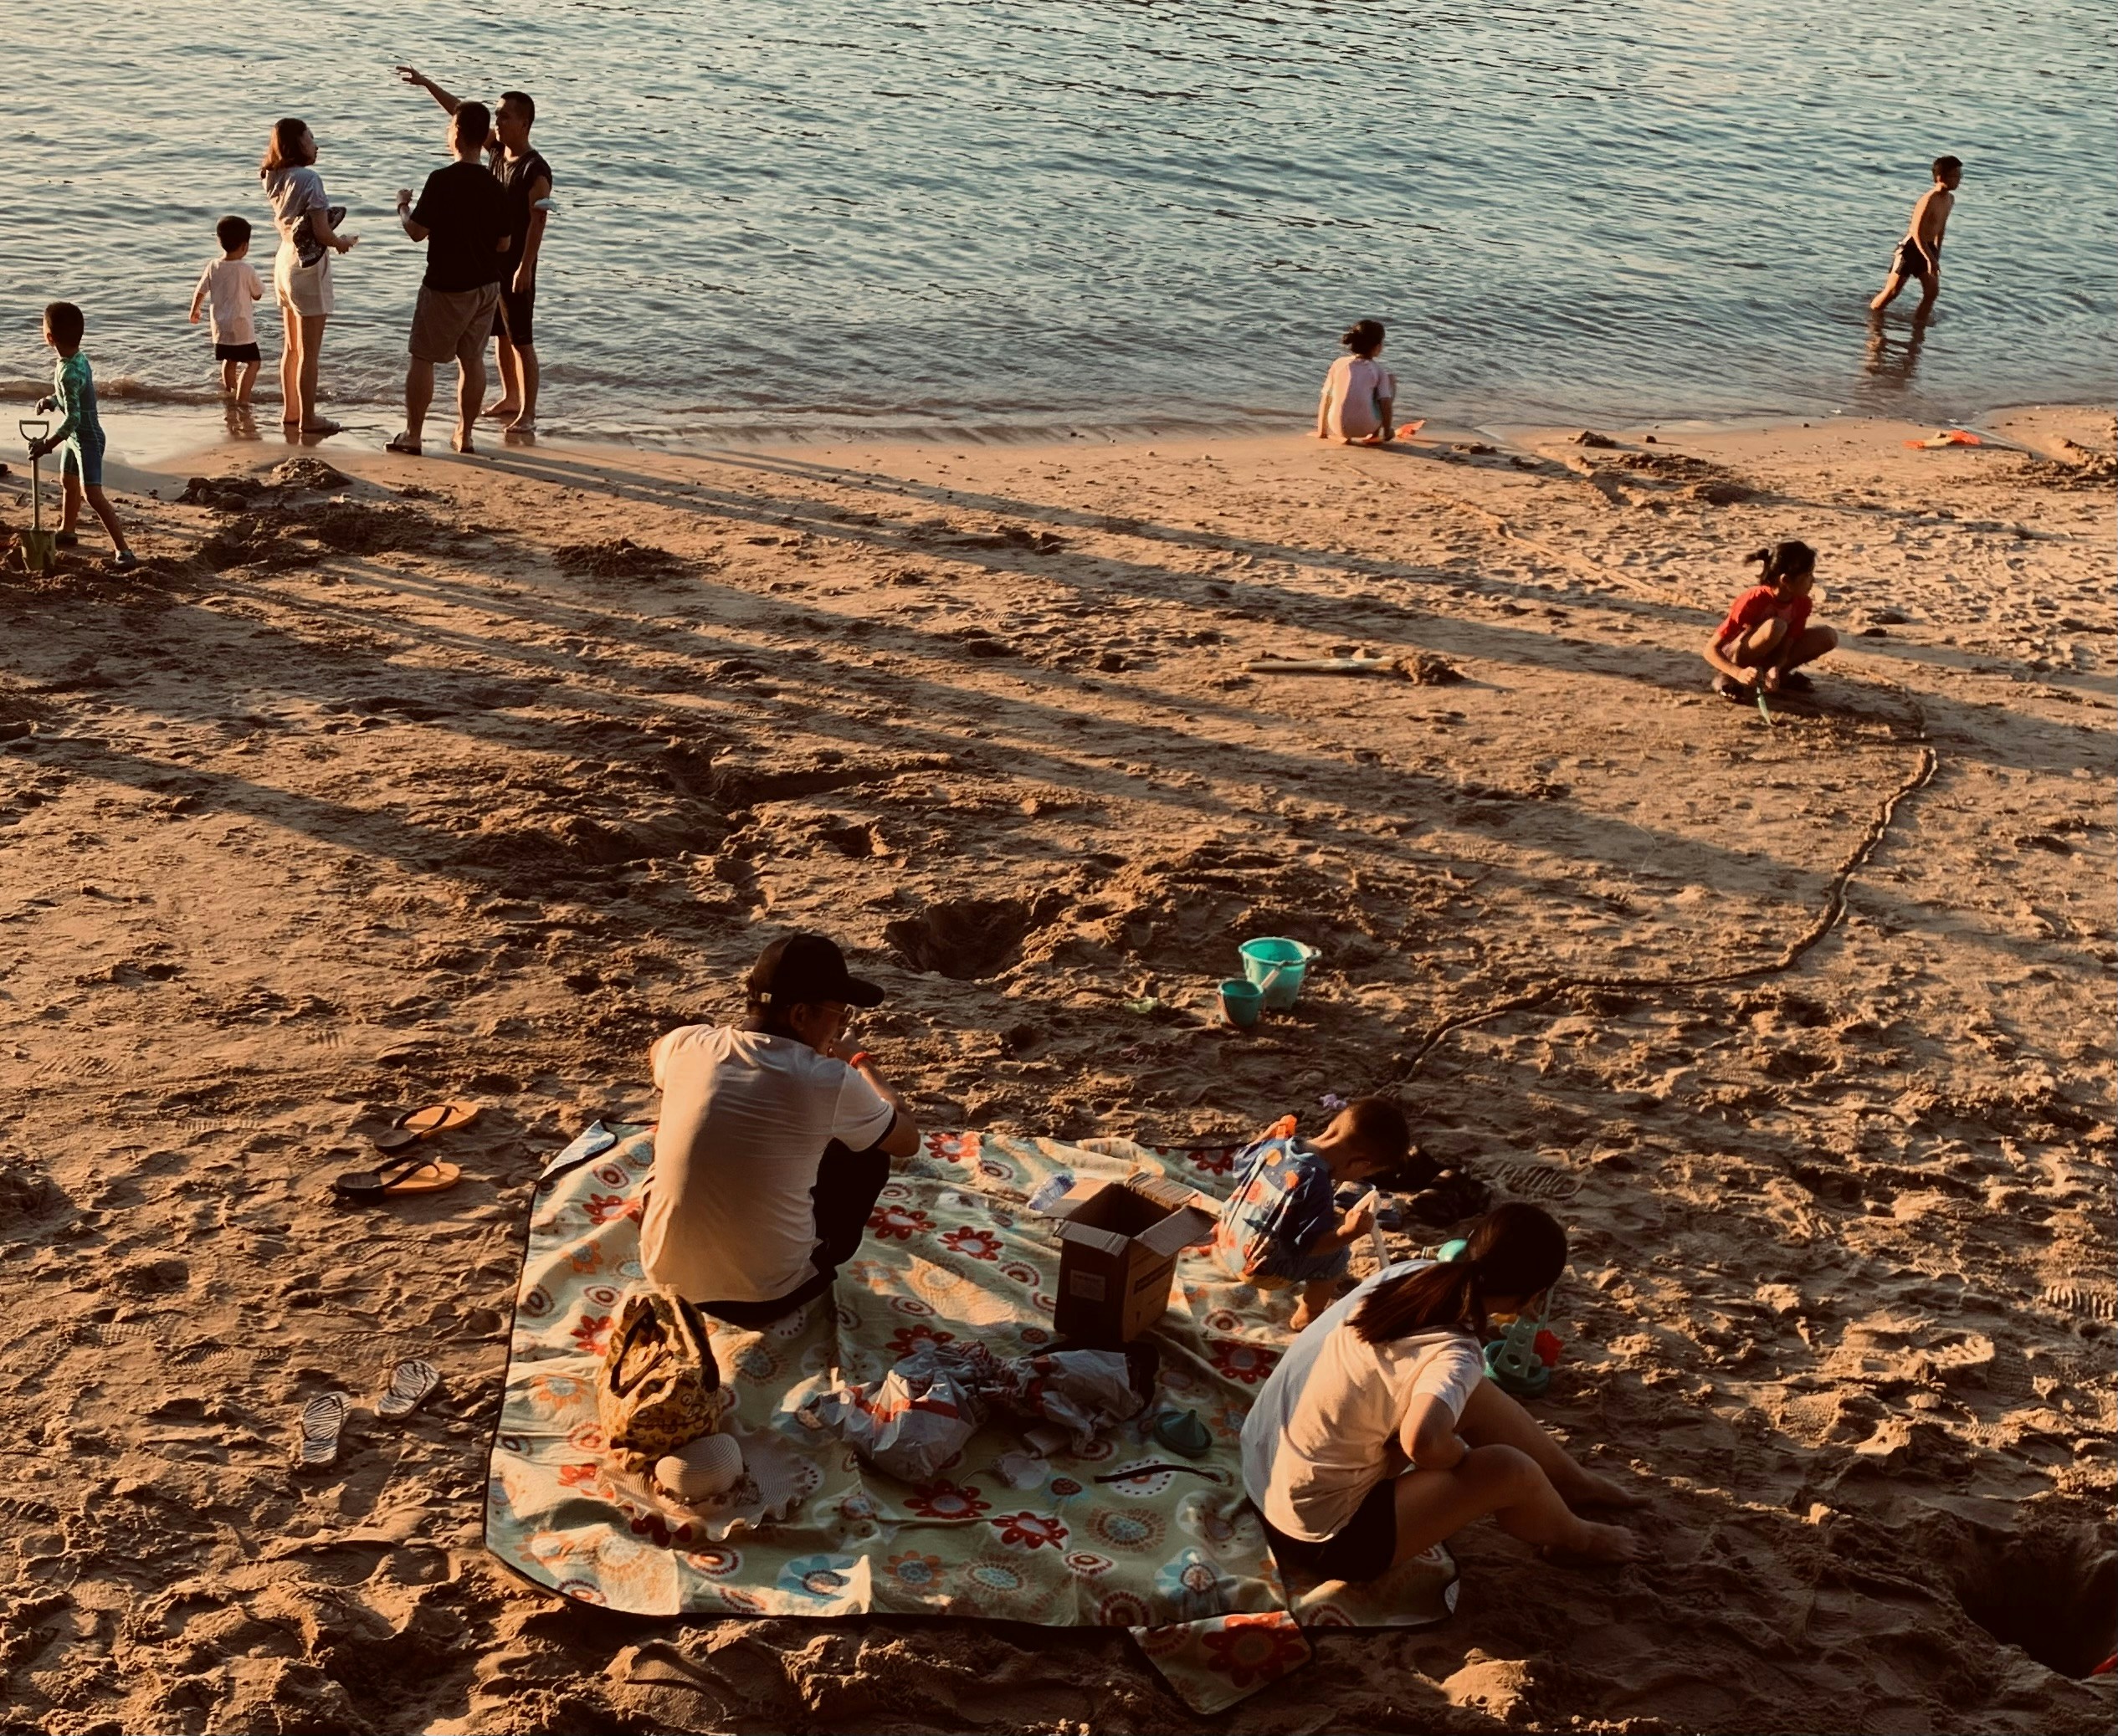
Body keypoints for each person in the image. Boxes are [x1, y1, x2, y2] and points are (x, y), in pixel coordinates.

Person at [1242, 1202, 1644, 1585]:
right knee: (1506, 1469)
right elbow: (1422, 1440)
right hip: (1317, 1537)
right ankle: (1577, 1538)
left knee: (1468, 1394)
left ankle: (1572, 1483)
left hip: (1262, 1469)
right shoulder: (1457, 1352)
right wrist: (1455, 1456)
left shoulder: (1409, 1274)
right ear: (1532, 1298)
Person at [640, 934, 921, 1328]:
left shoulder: (688, 1043)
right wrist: (858, 1059)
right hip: (768, 1296)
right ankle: (811, 1254)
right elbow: (907, 1138)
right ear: (801, 1015)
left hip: (669, 1281)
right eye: (839, 1015)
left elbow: (657, 1053)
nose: (841, 1026)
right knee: (869, 1150)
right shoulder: (828, 1079)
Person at [395, 66, 552, 438]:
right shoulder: (496, 152)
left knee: (522, 340)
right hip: (489, 268)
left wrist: (526, 267)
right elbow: (462, 114)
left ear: (525, 123)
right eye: (495, 115)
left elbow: (538, 222)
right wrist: (427, 83)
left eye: (504, 115)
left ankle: (528, 413)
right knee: (497, 338)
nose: (497, 120)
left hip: (515, 267)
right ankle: (510, 397)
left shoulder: (536, 169)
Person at [1213, 1098, 1412, 1330]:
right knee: (1337, 1256)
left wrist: (1265, 1138)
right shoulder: (1315, 1182)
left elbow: (1239, 1165)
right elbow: (1310, 1245)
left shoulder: (1276, 1146)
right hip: (1261, 1271)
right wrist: (1349, 1232)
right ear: (1359, 1164)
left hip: (1227, 1239)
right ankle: (1307, 1314)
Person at [386, 102, 512, 457]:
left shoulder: (441, 180)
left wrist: (402, 206)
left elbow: (416, 232)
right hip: (487, 285)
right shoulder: (495, 184)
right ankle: (465, 435)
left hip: (446, 284)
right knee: (472, 360)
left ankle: (413, 435)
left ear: (456, 132)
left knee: (422, 358)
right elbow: (504, 242)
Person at [259, 119, 358, 438]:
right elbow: (321, 232)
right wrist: (342, 242)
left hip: (284, 259)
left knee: (291, 347)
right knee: (310, 352)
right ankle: (309, 418)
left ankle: (291, 411)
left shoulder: (273, 176)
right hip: (308, 266)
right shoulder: (310, 179)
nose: (316, 144)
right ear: (297, 143)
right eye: (311, 137)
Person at [28, 303, 136, 571]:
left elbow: (74, 417)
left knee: (93, 495)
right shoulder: (76, 359)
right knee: (68, 481)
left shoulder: (68, 371)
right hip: (75, 438)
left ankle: (124, 550)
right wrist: (52, 401)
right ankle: (68, 530)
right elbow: (70, 398)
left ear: (49, 338)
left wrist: (47, 444)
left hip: (87, 438)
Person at [1703, 540, 1839, 702]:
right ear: (1786, 580)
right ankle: (1728, 678)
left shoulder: (1802, 603)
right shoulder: (1754, 600)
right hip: (1738, 656)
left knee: (1828, 636)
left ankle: (1774, 676)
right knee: (1776, 626)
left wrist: (1777, 667)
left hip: (1769, 656)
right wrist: (1738, 672)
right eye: (1807, 575)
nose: (1813, 580)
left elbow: (1788, 645)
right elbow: (1710, 650)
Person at [1869, 156, 1962, 318]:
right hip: (1911, 248)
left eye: (1960, 175)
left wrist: (1936, 254)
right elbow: (1916, 233)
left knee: (1932, 293)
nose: (1959, 180)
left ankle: (1918, 328)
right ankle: (1872, 318)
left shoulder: (1950, 199)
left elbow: (1941, 228)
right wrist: (1930, 259)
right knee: (1892, 292)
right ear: (1940, 178)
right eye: (1955, 176)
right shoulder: (1928, 200)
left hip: (1928, 248)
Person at [188, 216, 265, 406]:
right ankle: (243, 399)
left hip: (220, 327)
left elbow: (201, 290)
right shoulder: (246, 269)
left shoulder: (213, 265)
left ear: (219, 241)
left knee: (230, 360)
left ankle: (230, 393)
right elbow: (258, 294)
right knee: (253, 363)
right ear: (245, 246)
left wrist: (195, 311)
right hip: (242, 327)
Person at [1316, 320, 1397, 444]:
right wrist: (1387, 430)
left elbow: (1326, 398)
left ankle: (1338, 433)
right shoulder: (1378, 370)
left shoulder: (1338, 364)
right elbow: (1385, 403)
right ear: (1377, 346)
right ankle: (1375, 435)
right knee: (1390, 380)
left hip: (1336, 427)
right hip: (1366, 427)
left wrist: (1322, 432)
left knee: (1336, 392)